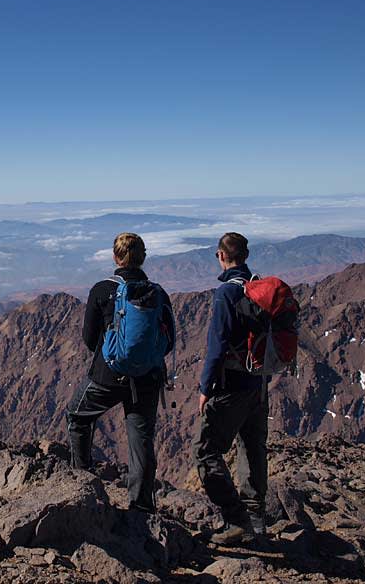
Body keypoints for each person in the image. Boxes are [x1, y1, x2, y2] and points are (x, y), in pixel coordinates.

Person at [67, 232, 175, 513]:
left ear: (115, 257)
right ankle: (141, 506)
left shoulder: (102, 289)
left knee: (77, 415)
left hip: (107, 376)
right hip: (148, 378)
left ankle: (81, 481)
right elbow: (169, 340)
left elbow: (90, 338)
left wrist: (113, 354)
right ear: (143, 258)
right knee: (141, 439)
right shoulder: (158, 293)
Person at [193, 232, 267, 545]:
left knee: (206, 451)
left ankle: (238, 522)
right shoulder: (259, 287)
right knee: (252, 446)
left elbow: (217, 345)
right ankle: (255, 519)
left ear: (222, 256)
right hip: (258, 384)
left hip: (231, 385)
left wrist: (205, 387)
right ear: (245, 255)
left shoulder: (226, 293)